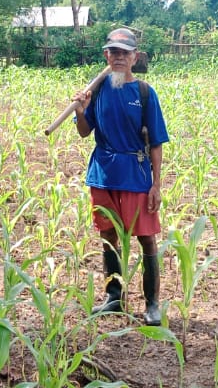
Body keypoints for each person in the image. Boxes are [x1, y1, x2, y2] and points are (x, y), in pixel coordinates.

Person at [72, 28, 170, 326]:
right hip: (103, 173)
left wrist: (156, 184)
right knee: (108, 235)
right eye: (114, 52)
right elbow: (84, 132)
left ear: (134, 58)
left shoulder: (144, 93)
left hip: (135, 173)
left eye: (124, 53)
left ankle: (152, 304)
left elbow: (156, 142)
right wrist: (81, 111)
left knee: (146, 238)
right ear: (106, 55)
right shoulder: (97, 90)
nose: (119, 57)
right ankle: (114, 298)